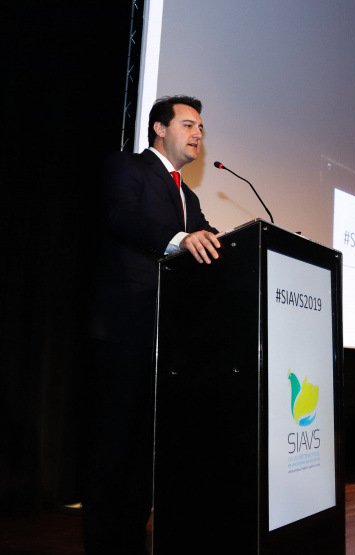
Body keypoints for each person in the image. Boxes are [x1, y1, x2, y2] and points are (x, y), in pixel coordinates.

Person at [85, 95, 221, 554]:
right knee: (115, 446)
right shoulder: (127, 167)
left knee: (148, 453)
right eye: (188, 123)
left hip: (170, 341)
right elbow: (121, 217)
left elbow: (212, 248)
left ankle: (129, 540)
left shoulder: (192, 196)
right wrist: (182, 239)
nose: (198, 132)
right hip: (125, 328)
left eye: (201, 125)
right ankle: (102, 544)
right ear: (160, 129)